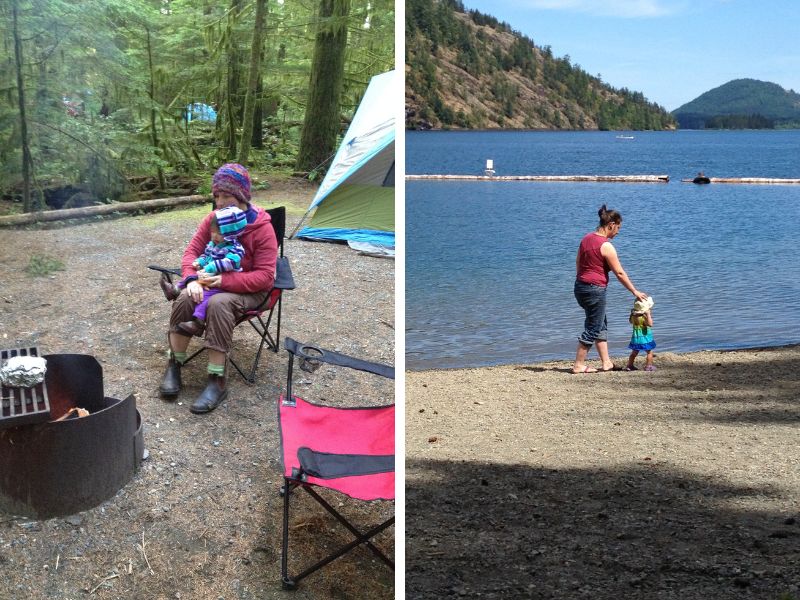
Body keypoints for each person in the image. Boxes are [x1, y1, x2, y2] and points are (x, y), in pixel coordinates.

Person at [158, 163, 278, 414]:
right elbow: (192, 252)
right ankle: (174, 364)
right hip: (211, 281)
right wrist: (191, 280)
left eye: (227, 196)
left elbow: (266, 277)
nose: (220, 202)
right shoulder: (212, 219)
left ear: (243, 196)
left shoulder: (262, 227)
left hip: (250, 291)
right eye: (217, 196)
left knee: (218, 303)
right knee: (185, 299)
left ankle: (217, 381)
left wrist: (224, 282)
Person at [572, 204, 648, 374]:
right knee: (593, 327)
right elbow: (619, 272)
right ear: (611, 224)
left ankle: (607, 363)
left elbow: (578, 262)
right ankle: (578, 364)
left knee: (600, 323)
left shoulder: (586, 239)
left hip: (580, 287)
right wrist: (634, 291)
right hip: (594, 289)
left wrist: (583, 280)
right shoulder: (606, 246)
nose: (618, 232)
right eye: (618, 228)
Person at [161, 205, 248, 337]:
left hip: (224, 281)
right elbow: (206, 255)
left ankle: (198, 323)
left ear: (231, 233)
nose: (215, 236)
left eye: (219, 233)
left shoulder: (236, 249)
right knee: (192, 279)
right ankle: (174, 291)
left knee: (207, 297)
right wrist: (200, 262)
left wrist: (209, 267)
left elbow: (229, 263)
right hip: (209, 276)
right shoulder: (214, 244)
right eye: (213, 232)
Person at [625, 296, 656, 372]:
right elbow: (650, 324)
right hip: (645, 339)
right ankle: (649, 366)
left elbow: (630, 321)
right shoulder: (644, 317)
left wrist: (632, 313)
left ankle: (629, 365)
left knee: (634, 353)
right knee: (649, 352)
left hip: (636, 339)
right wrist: (648, 315)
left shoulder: (634, 316)